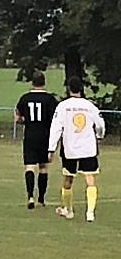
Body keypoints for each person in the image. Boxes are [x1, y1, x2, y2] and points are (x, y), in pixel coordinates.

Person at [48, 76, 105, 222]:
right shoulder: (90, 106)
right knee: (90, 179)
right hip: (88, 149)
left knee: (68, 179)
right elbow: (100, 124)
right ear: (81, 88)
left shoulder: (63, 106)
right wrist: (99, 135)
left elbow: (56, 128)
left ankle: (68, 210)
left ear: (68, 89)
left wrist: (51, 148)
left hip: (70, 149)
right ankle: (90, 212)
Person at [15, 71, 59, 209]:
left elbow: (18, 118)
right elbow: (56, 120)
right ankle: (41, 198)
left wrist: (23, 120)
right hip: (45, 136)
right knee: (43, 167)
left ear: (32, 82)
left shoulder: (25, 98)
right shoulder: (50, 100)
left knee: (29, 166)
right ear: (44, 82)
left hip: (30, 135)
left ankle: (30, 196)